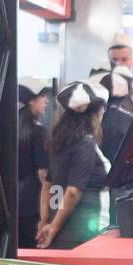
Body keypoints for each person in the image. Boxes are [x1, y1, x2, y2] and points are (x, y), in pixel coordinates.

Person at [38, 80, 111, 249]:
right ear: (98, 112)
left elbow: (46, 186)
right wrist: (53, 227)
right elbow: (72, 192)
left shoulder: (61, 143)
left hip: (62, 234)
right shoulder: (85, 144)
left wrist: (45, 222)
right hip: (82, 236)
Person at [17, 80, 50, 250]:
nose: (46, 101)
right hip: (32, 205)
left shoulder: (6, 127)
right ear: (31, 101)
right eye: (42, 96)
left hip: (7, 203)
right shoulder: (38, 131)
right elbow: (43, 174)